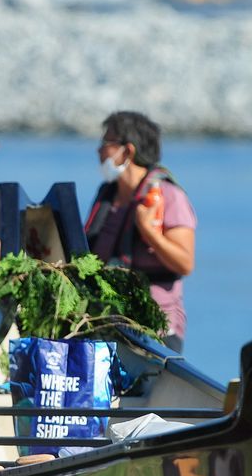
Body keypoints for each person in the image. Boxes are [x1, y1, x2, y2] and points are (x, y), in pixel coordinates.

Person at [84, 111, 197, 353]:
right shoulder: (107, 196)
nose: (99, 151)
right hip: (105, 324)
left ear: (128, 151)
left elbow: (185, 263)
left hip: (156, 329)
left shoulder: (167, 196)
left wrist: (150, 232)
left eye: (106, 143)